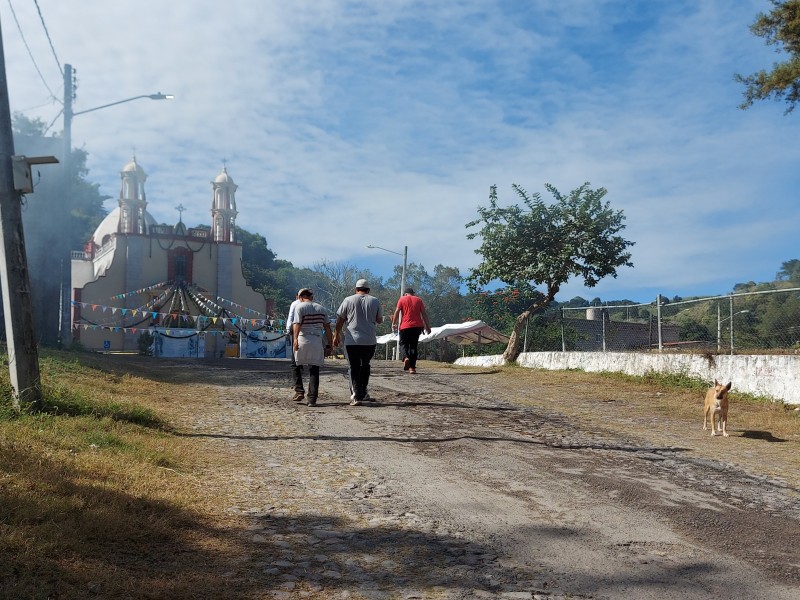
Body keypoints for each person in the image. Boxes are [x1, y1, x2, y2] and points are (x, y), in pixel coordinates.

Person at [334, 279, 383, 406]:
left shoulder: (348, 300)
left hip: (352, 341)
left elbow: (340, 320)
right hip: (369, 340)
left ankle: (356, 394)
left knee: (354, 367)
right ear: (368, 290)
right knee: (365, 365)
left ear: (356, 289)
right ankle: (363, 392)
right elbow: (379, 320)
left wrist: (336, 335)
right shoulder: (375, 300)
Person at [292, 289, 333, 407]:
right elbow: (327, 328)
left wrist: (295, 339)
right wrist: (329, 344)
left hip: (303, 338)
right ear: (312, 297)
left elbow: (297, 324)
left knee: (296, 365)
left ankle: (299, 390)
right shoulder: (322, 309)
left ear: (300, 297)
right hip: (317, 340)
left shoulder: (299, 308)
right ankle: (312, 399)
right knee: (314, 370)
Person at [391, 287, 432, 374]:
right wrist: (428, 326)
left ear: (405, 294)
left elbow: (397, 312)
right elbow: (424, 314)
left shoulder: (402, 299)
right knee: (413, 346)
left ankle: (406, 357)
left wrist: (393, 323)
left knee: (403, 344)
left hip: (405, 326)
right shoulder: (419, 300)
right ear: (412, 293)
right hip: (417, 327)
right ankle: (412, 368)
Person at [286, 291, 305, 402]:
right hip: (312, 335)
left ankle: (299, 390)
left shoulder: (295, 303)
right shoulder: (315, 306)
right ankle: (313, 395)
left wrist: (288, 330)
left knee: (295, 363)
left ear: (298, 296)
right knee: (313, 365)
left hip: (297, 334)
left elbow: (291, 318)